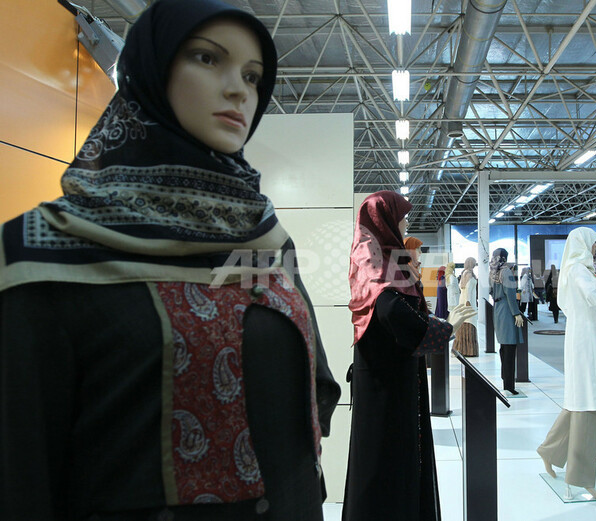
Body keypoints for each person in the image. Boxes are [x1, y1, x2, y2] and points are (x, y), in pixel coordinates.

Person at [0, 1, 342, 518]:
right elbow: (21, 470)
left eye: (252, 76)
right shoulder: (41, 249)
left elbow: (309, 389)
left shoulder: (266, 240)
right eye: (208, 58)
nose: (239, 90)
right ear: (152, 72)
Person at [344, 191, 474, 520]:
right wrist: (447, 325)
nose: (405, 223)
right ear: (384, 221)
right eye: (401, 217)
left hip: (390, 377)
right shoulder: (377, 267)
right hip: (385, 386)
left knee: (394, 461)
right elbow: (392, 313)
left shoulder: (385, 261)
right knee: (387, 464)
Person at [536, 228, 596, 501]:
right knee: (589, 403)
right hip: (587, 339)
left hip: (581, 336)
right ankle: (581, 478)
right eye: (594, 244)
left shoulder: (573, 269)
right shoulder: (579, 270)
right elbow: (595, 298)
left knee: (579, 399)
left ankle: (550, 450)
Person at [490, 248, 524, 395]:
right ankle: (509, 385)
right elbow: (510, 294)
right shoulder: (506, 272)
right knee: (509, 348)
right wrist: (516, 313)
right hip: (507, 310)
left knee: (504, 347)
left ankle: (506, 379)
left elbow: (491, 291)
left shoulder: (493, 272)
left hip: (497, 309)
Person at [455, 257, 479, 357]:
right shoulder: (468, 274)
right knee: (470, 323)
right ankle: (469, 350)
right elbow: (468, 289)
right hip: (468, 303)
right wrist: (468, 302)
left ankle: (462, 348)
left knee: (464, 324)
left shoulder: (464, 273)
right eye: (474, 262)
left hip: (464, 301)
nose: (475, 264)